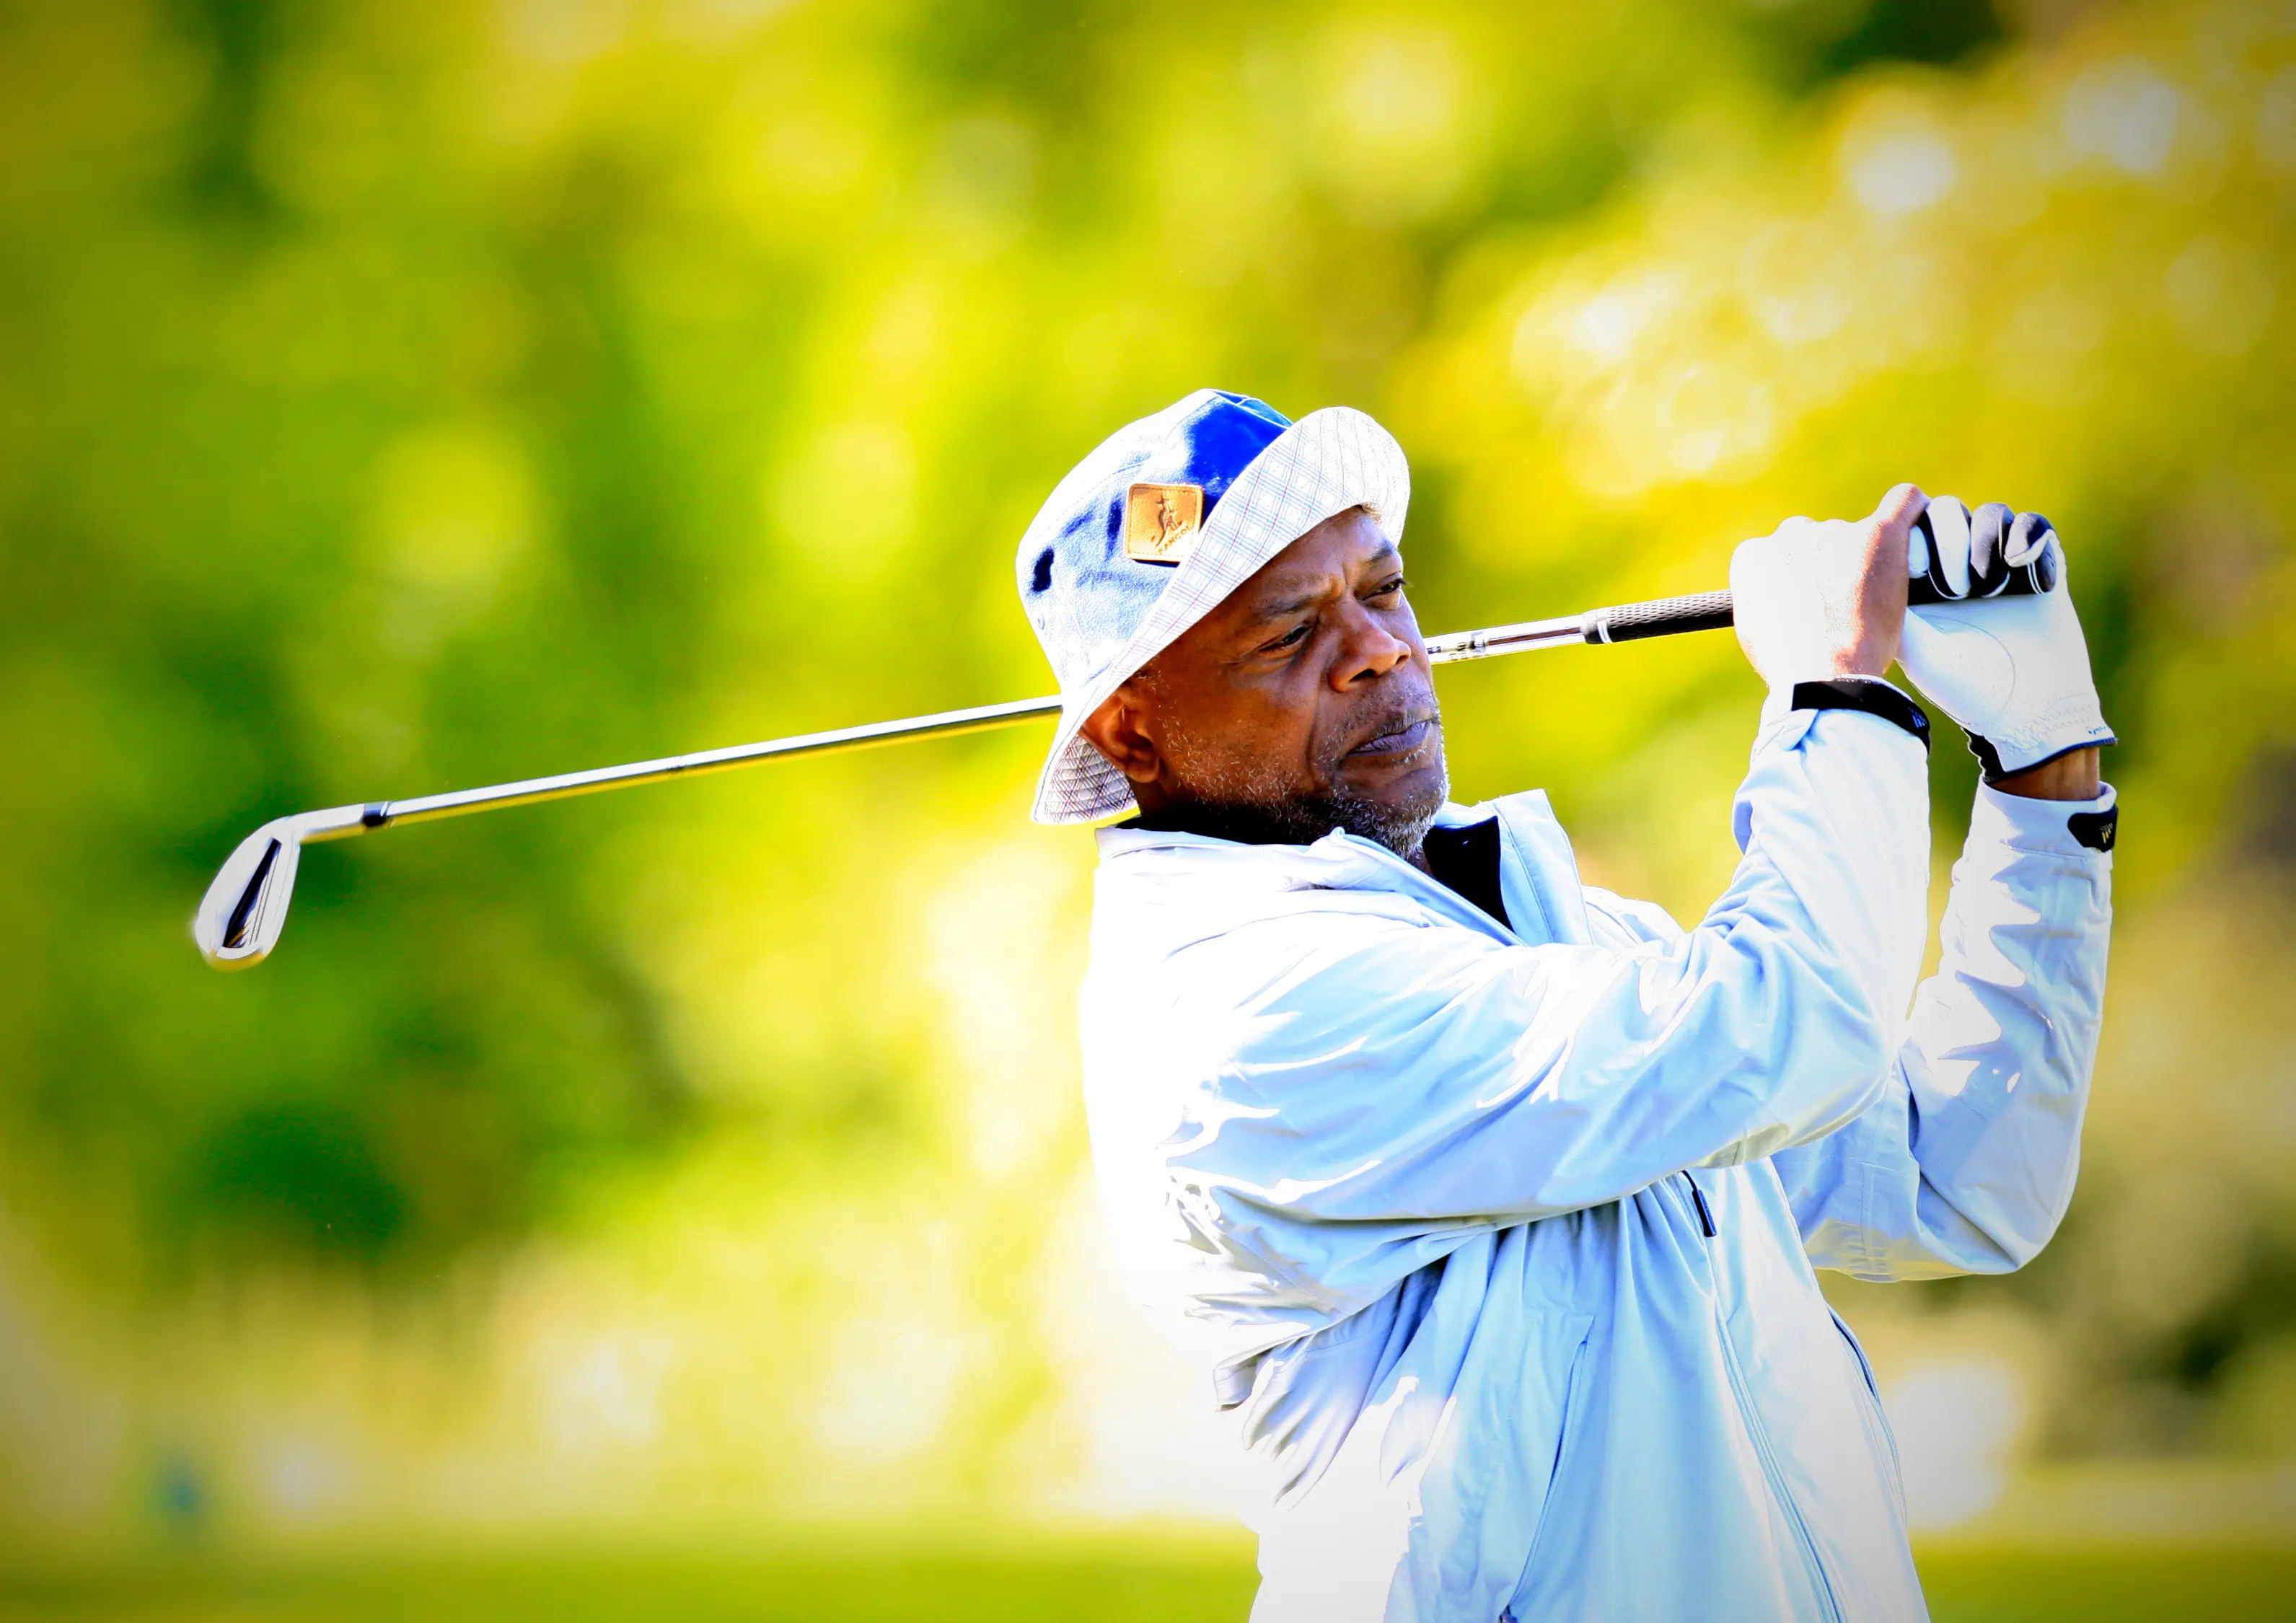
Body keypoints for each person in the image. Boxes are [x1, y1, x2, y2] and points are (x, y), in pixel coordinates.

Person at [1013, 390, 2116, 1623]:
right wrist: (1835, 687)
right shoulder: (1244, 1010)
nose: (1376, 647)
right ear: (1137, 734)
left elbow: (1949, 1181)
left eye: (1380, 590)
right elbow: (1793, 1025)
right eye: (1287, 635)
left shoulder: (1566, 943)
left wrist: (2043, 777)